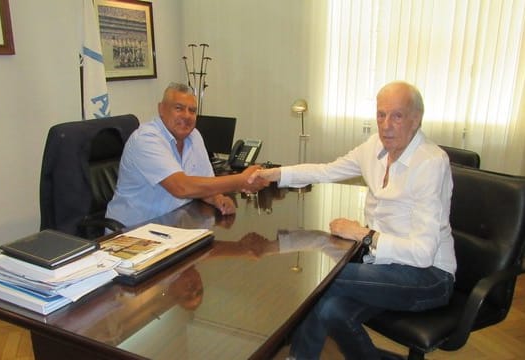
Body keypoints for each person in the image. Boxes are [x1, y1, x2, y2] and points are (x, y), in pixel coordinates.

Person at [248, 81, 456, 359]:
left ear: (416, 119)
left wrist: (365, 235)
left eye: (397, 115)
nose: (386, 125)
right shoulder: (374, 147)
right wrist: (273, 174)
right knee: (329, 309)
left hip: (428, 276)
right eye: (381, 115)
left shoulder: (430, 162)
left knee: (322, 279)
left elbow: (422, 253)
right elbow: (325, 170)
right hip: (382, 265)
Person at [106, 82, 268, 227]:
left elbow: (204, 182)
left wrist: (216, 198)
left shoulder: (193, 135)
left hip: (172, 227)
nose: (186, 116)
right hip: (132, 233)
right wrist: (241, 180)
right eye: (178, 108)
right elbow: (181, 187)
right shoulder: (147, 139)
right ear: (161, 109)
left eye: (192, 110)